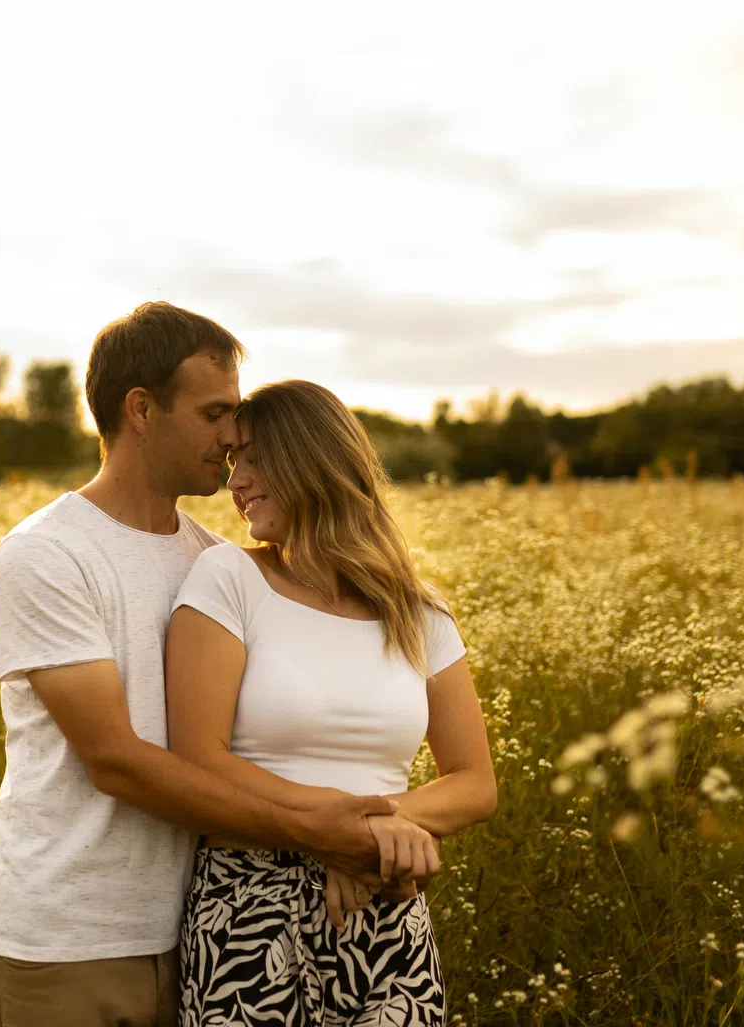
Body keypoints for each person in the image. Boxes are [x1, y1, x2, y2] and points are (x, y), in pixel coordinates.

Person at [0, 306, 418, 1027]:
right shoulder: (49, 552)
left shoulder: (216, 562)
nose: (233, 436)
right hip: (66, 940)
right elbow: (114, 760)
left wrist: (353, 831)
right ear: (141, 409)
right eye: (214, 413)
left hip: (198, 932)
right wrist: (317, 831)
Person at [166, 379, 498, 1025]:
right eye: (233, 461)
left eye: (254, 458)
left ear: (311, 459)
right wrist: (347, 832)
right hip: (250, 914)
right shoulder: (228, 579)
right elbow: (197, 758)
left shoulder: (418, 611)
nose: (237, 481)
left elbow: (475, 783)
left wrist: (370, 838)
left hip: (385, 912)